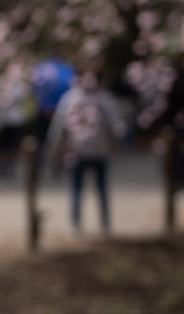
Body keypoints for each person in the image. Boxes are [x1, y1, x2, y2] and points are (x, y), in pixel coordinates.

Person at [44, 69, 128, 236]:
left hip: (91, 151)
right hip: (82, 152)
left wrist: (54, 145)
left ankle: (94, 223)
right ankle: (89, 223)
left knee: (93, 189)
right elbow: (118, 127)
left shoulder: (74, 98)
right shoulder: (97, 98)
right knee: (84, 189)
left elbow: (58, 126)